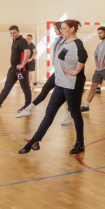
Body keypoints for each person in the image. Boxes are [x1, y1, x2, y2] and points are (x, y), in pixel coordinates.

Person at [19, 19, 88, 155]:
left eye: (63, 28)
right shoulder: (64, 42)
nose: (61, 31)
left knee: (75, 114)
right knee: (49, 112)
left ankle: (80, 143)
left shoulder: (77, 43)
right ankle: (35, 141)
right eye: (60, 28)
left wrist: (77, 70)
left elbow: (83, 56)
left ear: (72, 29)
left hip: (72, 84)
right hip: (60, 84)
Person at [16, 22, 73, 126]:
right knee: (45, 89)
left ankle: (69, 116)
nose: (54, 31)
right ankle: (27, 109)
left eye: (56, 29)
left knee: (68, 95)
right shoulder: (57, 40)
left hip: (66, 73)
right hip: (57, 71)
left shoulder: (69, 42)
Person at [0, 26, 32, 111]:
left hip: (21, 70)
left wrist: (22, 65)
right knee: (7, 87)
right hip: (13, 69)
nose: (12, 34)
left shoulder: (22, 41)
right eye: (11, 33)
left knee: (25, 88)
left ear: (18, 31)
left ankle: (27, 106)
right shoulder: (14, 40)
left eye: (14, 33)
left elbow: (27, 52)